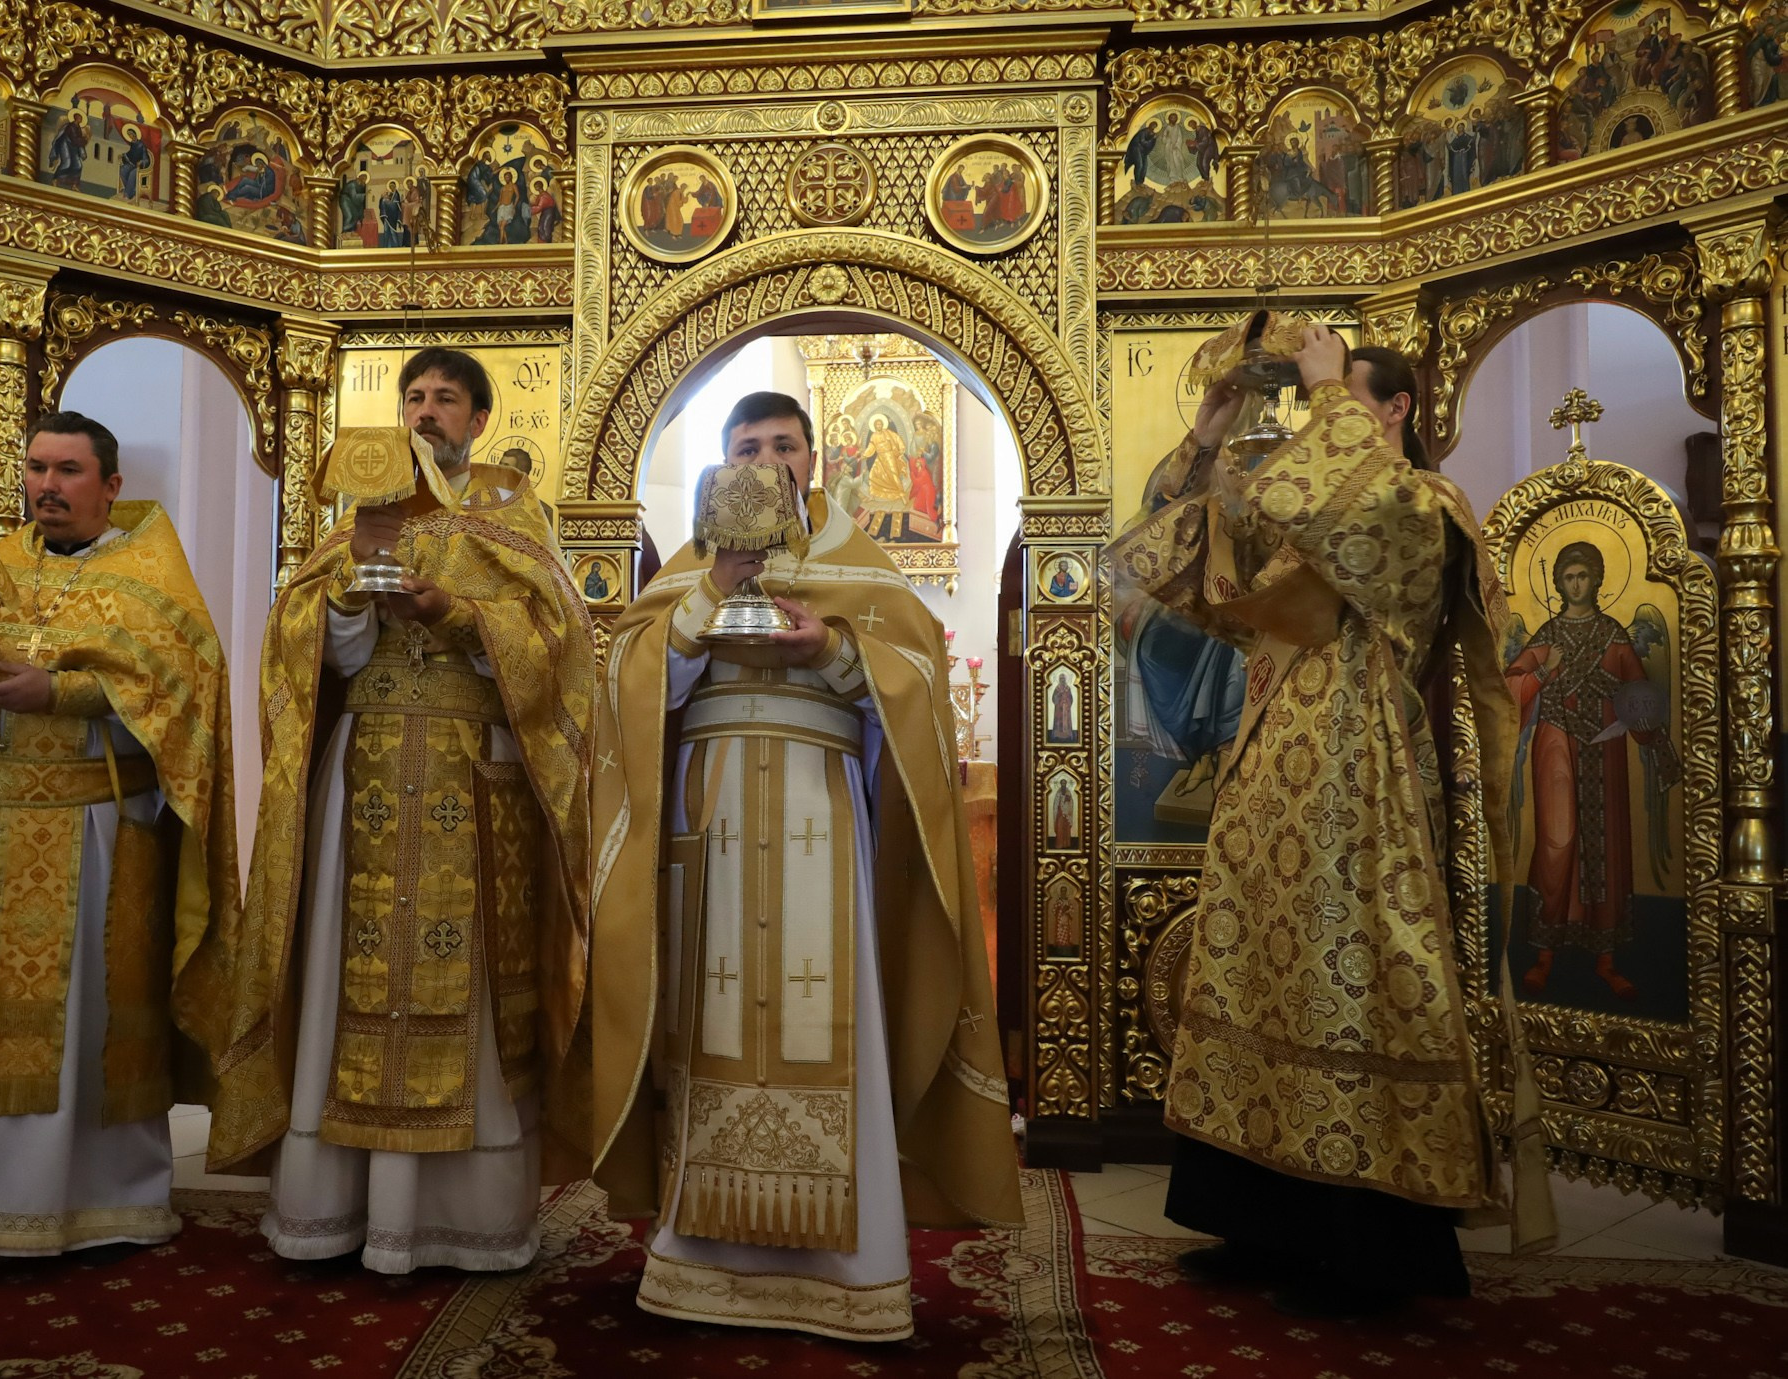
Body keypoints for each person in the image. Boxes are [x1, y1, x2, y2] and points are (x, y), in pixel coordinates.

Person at [1111, 324, 1553, 1316]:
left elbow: (1361, 521)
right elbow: (1197, 556)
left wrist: (1326, 388)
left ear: (1387, 410)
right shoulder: (1309, 505)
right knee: (1262, 980)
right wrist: (1206, 429)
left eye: (1340, 395)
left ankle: (1368, 1242)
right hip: (1265, 778)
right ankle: (1257, 1216)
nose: (1314, 409)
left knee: (1347, 979)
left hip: (1361, 789)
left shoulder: (1421, 506)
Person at [591, 390, 1021, 1342]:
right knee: (700, 1031)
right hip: (707, 824)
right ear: (722, 461)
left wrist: (830, 647)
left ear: (812, 459)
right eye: (746, 446)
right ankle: (698, 1261)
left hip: (820, 813)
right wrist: (712, 593)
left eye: (782, 445)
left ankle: (849, 1271)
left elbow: (913, 691)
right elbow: (627, 684)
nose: (767, 459)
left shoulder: (857, 569)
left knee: (832, 1019)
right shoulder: (686, 571)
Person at [212, 348, 593, 1274]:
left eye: (446, 400)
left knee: (467, 987)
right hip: (365, 778)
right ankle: (334, 1208)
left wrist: (459, 613)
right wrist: (350, 593)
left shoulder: (511, 515)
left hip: (472, 782)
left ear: (479, 418)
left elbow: (561, 644)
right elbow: (305, 656)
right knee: (346, 976)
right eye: (414, 396)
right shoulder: (355, 522)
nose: (427, 412)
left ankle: (463, 1223)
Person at [0, 411, 243, 1256]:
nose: (47, 486)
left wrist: (62, 694)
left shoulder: (153, 576)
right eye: (36, 468)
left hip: (97, 835)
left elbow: (185, 700)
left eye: (68, 471)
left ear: (110, 485)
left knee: (83, 1019)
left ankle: (98, 1204)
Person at [1506, 542, 1673, 1000]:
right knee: (1557, 842)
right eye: (1568, 576)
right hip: (1556, 744)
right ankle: (1543, 955)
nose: (1576, 584)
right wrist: (1545, 672)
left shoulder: (1612, 634)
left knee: (1606, 846)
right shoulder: (1548, 635)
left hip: (1604, 747)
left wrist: (1656, 742)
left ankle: (1606, 960)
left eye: (1583, 575)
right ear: (1559, 582)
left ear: (1597, 579)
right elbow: (1510, 688)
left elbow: (1640, 696)